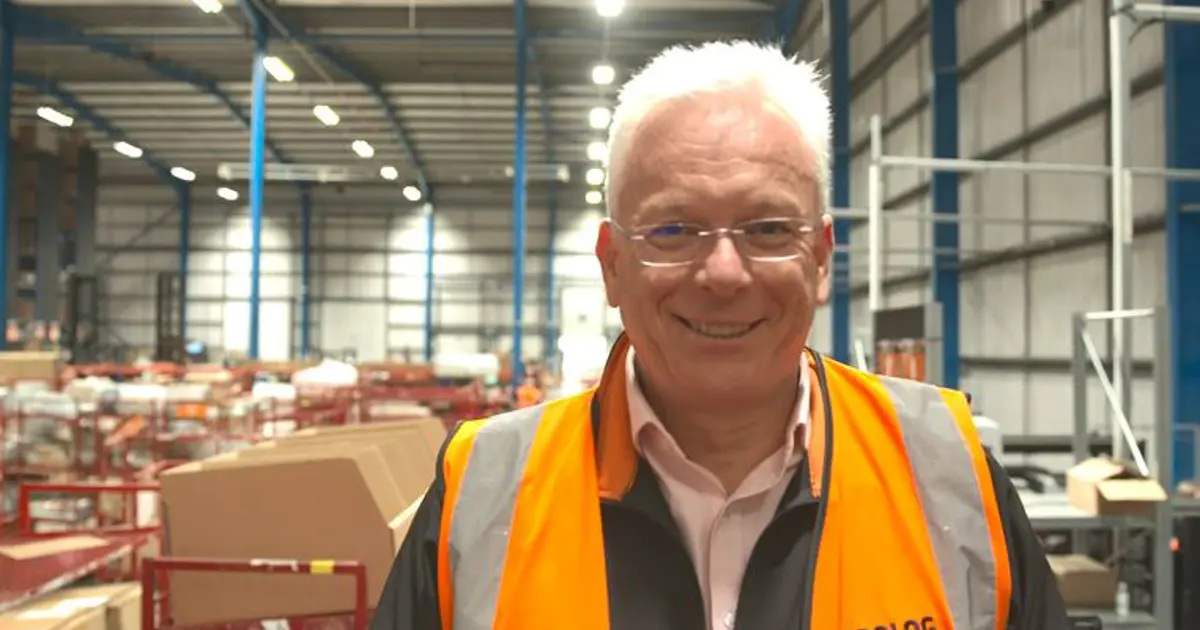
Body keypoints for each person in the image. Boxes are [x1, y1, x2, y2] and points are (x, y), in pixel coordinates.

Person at [373, 41, 1069, 630]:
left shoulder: (950, 474)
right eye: (674, 230)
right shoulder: (483, 491)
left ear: (821, 259)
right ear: (612, 266)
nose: (724, 272)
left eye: (768, 229)